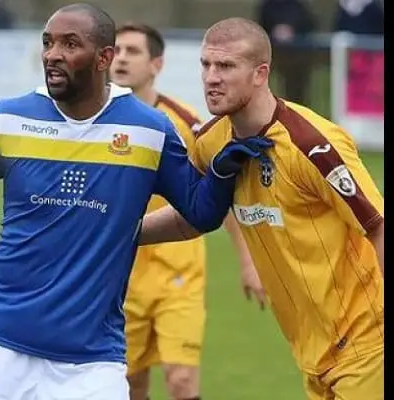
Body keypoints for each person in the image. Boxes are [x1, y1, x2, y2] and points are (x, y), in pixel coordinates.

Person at [0, 4, 274, 400]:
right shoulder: (9, 119)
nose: (53, 54)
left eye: (69, 44)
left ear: (104, 58)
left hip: (92, 363)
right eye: (48, 42)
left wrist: (219, 173)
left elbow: (200, 212)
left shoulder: (148, 129)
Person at [139, 17, 384, 400]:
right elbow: (195, 217)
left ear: (260, 73)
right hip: (315, 352)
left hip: (369, 343)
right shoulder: (211, 141)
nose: (212, 77)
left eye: (226, 66)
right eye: (206, 65)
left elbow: (377, 226)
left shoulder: (313, 144)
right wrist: (122, 232)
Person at [111, 22, 265, 400]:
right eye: (115, 51)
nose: (120, 59)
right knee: (129, 383)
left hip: (178, 276)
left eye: (133, 51)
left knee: (181, 381)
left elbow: (216, 197)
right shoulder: (96, 123)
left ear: (157, 64)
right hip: (119, 274)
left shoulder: (185, 123)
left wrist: (248, 262)